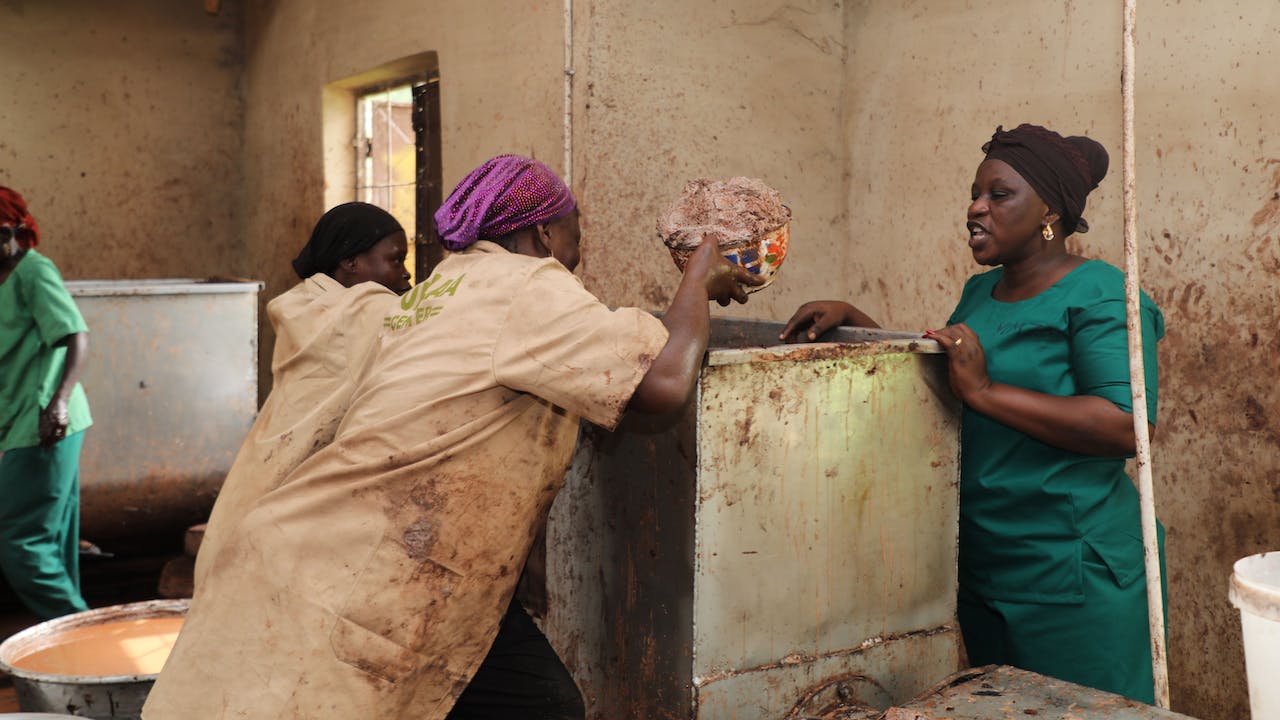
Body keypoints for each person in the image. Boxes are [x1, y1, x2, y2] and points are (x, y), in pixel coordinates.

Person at [143, 154, 761, 720]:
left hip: (345, 552)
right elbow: (667, 383)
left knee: (535, 703)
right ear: (544, 234)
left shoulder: (443, 286)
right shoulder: (527, 284)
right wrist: (697, 282)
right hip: (367, 577)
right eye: (575, 229)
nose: (579, 246)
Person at [780, 124, 1166, 703]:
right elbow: (952, 376)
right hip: (984, 564)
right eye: (974, 194)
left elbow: (1125, 425)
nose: (975, 208)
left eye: (998, 195)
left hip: (1072, 571)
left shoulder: (1103, 294)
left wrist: (985, 392)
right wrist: (855, 324)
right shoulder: (980, 293)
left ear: (1049, 212)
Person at [193, 202, 412, 589]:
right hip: (305, 490)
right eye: (395, 260)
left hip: (263, 479)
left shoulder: (304, 305)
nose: (406, 272)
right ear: (351, 263)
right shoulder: (365, 312)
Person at [0, 186, 93, 621]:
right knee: (51, 538)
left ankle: (82, 636)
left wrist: (59, 401)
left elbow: (76, 335)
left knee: (21, 543)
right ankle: (71, 650)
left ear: (15, 232)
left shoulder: (33, 272)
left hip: (45, 420)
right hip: (18, 418)